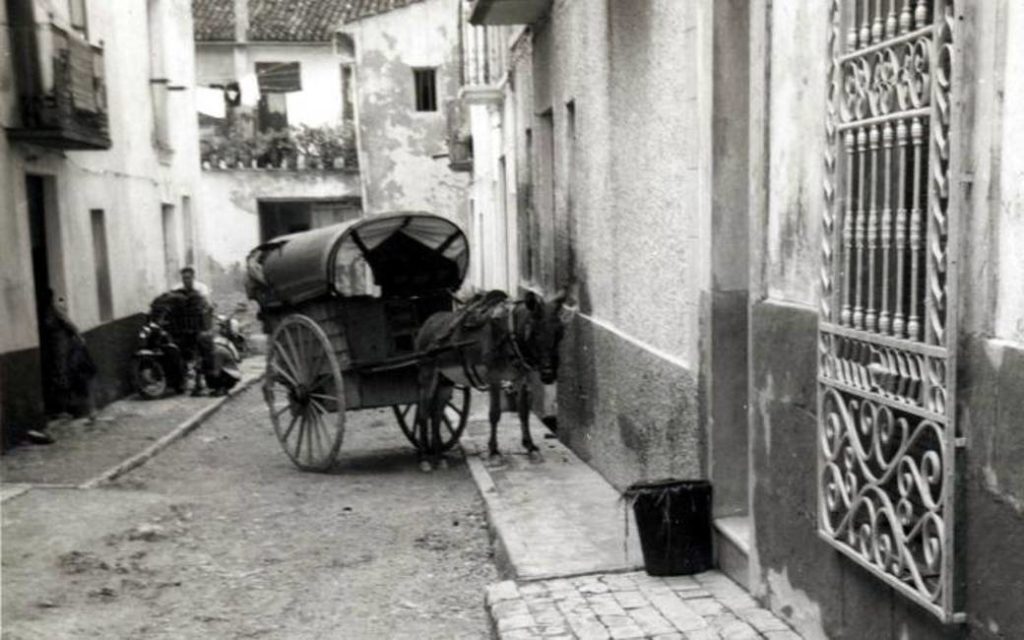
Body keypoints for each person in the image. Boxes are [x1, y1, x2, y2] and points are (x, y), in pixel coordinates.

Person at [29, 291, 98, 444]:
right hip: (57, 350)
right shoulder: (48, 311)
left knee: (72, 376)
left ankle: (74, 410)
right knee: (65, 376)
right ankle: (72, 410)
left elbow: (69, 324)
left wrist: (78, 339)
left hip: (64, 350)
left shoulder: (55, 310)